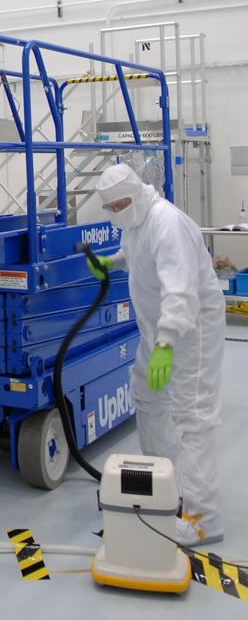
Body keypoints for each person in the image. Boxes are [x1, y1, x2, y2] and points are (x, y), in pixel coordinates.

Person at [90, 162, 225, 545]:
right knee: (148, 398)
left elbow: (180, 292)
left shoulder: (167, 223)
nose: (117, 213)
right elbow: (133, 255)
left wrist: (166, 344)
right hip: (157, 331)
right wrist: (109, 263)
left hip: (189, 331)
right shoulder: (137, 223)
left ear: (135, 193)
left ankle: (203, 518)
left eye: (120, 206)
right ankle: (163, 484)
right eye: (111, 209)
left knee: (192, 417)